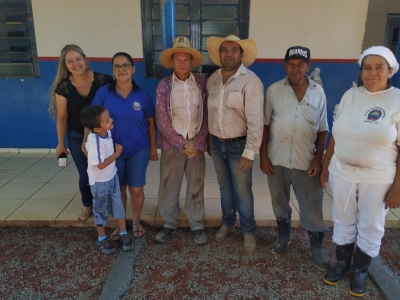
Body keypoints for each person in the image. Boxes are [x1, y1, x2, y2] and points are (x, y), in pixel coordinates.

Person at [320, 46, 400, 297]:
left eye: (379, 67)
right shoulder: (350, 95)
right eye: (367, 67)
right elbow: (336, 133)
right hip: (341, 172)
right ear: (361, 71)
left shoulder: (397, 100)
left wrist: (397, 187)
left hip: (378, 177)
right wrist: (325, 167)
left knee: (370, 224)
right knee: (342, 219)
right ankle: (343, 264)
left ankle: (361, 270)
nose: (373, 72)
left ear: (390, 71)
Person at [260, 46, 330, 270]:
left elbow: (323, 129)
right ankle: (283, 237)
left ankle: (316, 248)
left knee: (311, 205)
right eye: (291, 64)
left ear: (308, 66)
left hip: (305, 160)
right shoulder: (273, 91)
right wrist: (263, 156)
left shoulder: (318, 92)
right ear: (285, 66)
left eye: (301, 64)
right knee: (279, 202)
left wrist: (318, 159)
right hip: (277, 158)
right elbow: (265, 125)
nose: (296, 68)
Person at [90, 52, 157, 239]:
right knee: (118, 190)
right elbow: (92, 120)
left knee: (136, 188)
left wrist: (153, 148)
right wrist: (87, 143)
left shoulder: (142, 94)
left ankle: (136, 221)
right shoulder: (103, 93)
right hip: (112, 151)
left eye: (126, 65)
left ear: (133, 69)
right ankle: (120, 224)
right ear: (112, 70)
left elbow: (151, 123)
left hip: (139, 148)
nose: (122, 69)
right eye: (117, 66)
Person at [206, 35, 264, 252]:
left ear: (241, 54)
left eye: (234, 50)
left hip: (238, 146)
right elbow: (208, 112)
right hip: (216, 143)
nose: (228, 54)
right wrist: (208, 141)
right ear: (219, 54)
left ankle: (248, 231)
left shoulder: (250, 81)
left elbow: (256, 119)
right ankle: (228, 223)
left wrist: (250, 152)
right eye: (225, 50)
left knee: (242, 190)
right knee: (224, 187)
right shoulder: (212, 79)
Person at [49, 44, 113, 221]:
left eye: (78, 59)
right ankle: (87, 205)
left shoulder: (103, 80)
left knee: (105, 170)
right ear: (65, 65)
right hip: (77, 136)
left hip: (102, 135)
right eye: (70, 61)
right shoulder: (64, 88)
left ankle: (106, 203)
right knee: (85, 173)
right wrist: (60, 144)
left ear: (85, 59)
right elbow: (62, 117)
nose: (75, 63)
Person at [154, 37, 208, 245]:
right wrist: (181, 143)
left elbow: (206, 116)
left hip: (196, 145)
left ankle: (197, 225)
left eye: (186, 59)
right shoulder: (164, 85)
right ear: (172, 62)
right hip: (172, 145)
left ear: (192, 62)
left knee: (196, 184)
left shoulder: (201, 83)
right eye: (178, 59)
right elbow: (161, 117)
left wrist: (196, 142)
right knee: (169, 185)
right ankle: (168, 223)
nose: (182, 63)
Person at [80, 105, 134, 254]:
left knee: (118, 204)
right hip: (99, 183)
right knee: (101, 209)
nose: (111, 120)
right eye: (107, 120)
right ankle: (101, 238)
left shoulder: (107, 132)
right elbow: (101, 165)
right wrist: (117, 154)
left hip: (112, 177)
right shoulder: (95, 142)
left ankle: (123, 233)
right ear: (97, 129)